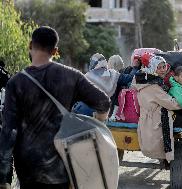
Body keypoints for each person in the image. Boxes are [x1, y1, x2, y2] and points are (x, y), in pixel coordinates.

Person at [0, 26, 111, 189]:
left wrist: (3, 176)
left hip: (28, 169)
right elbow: (104, 102)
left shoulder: (16, 82)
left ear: (30, 45)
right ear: (55, 51)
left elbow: (8, 131)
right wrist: (99, 123)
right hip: (61, 165)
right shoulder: (72, 76)